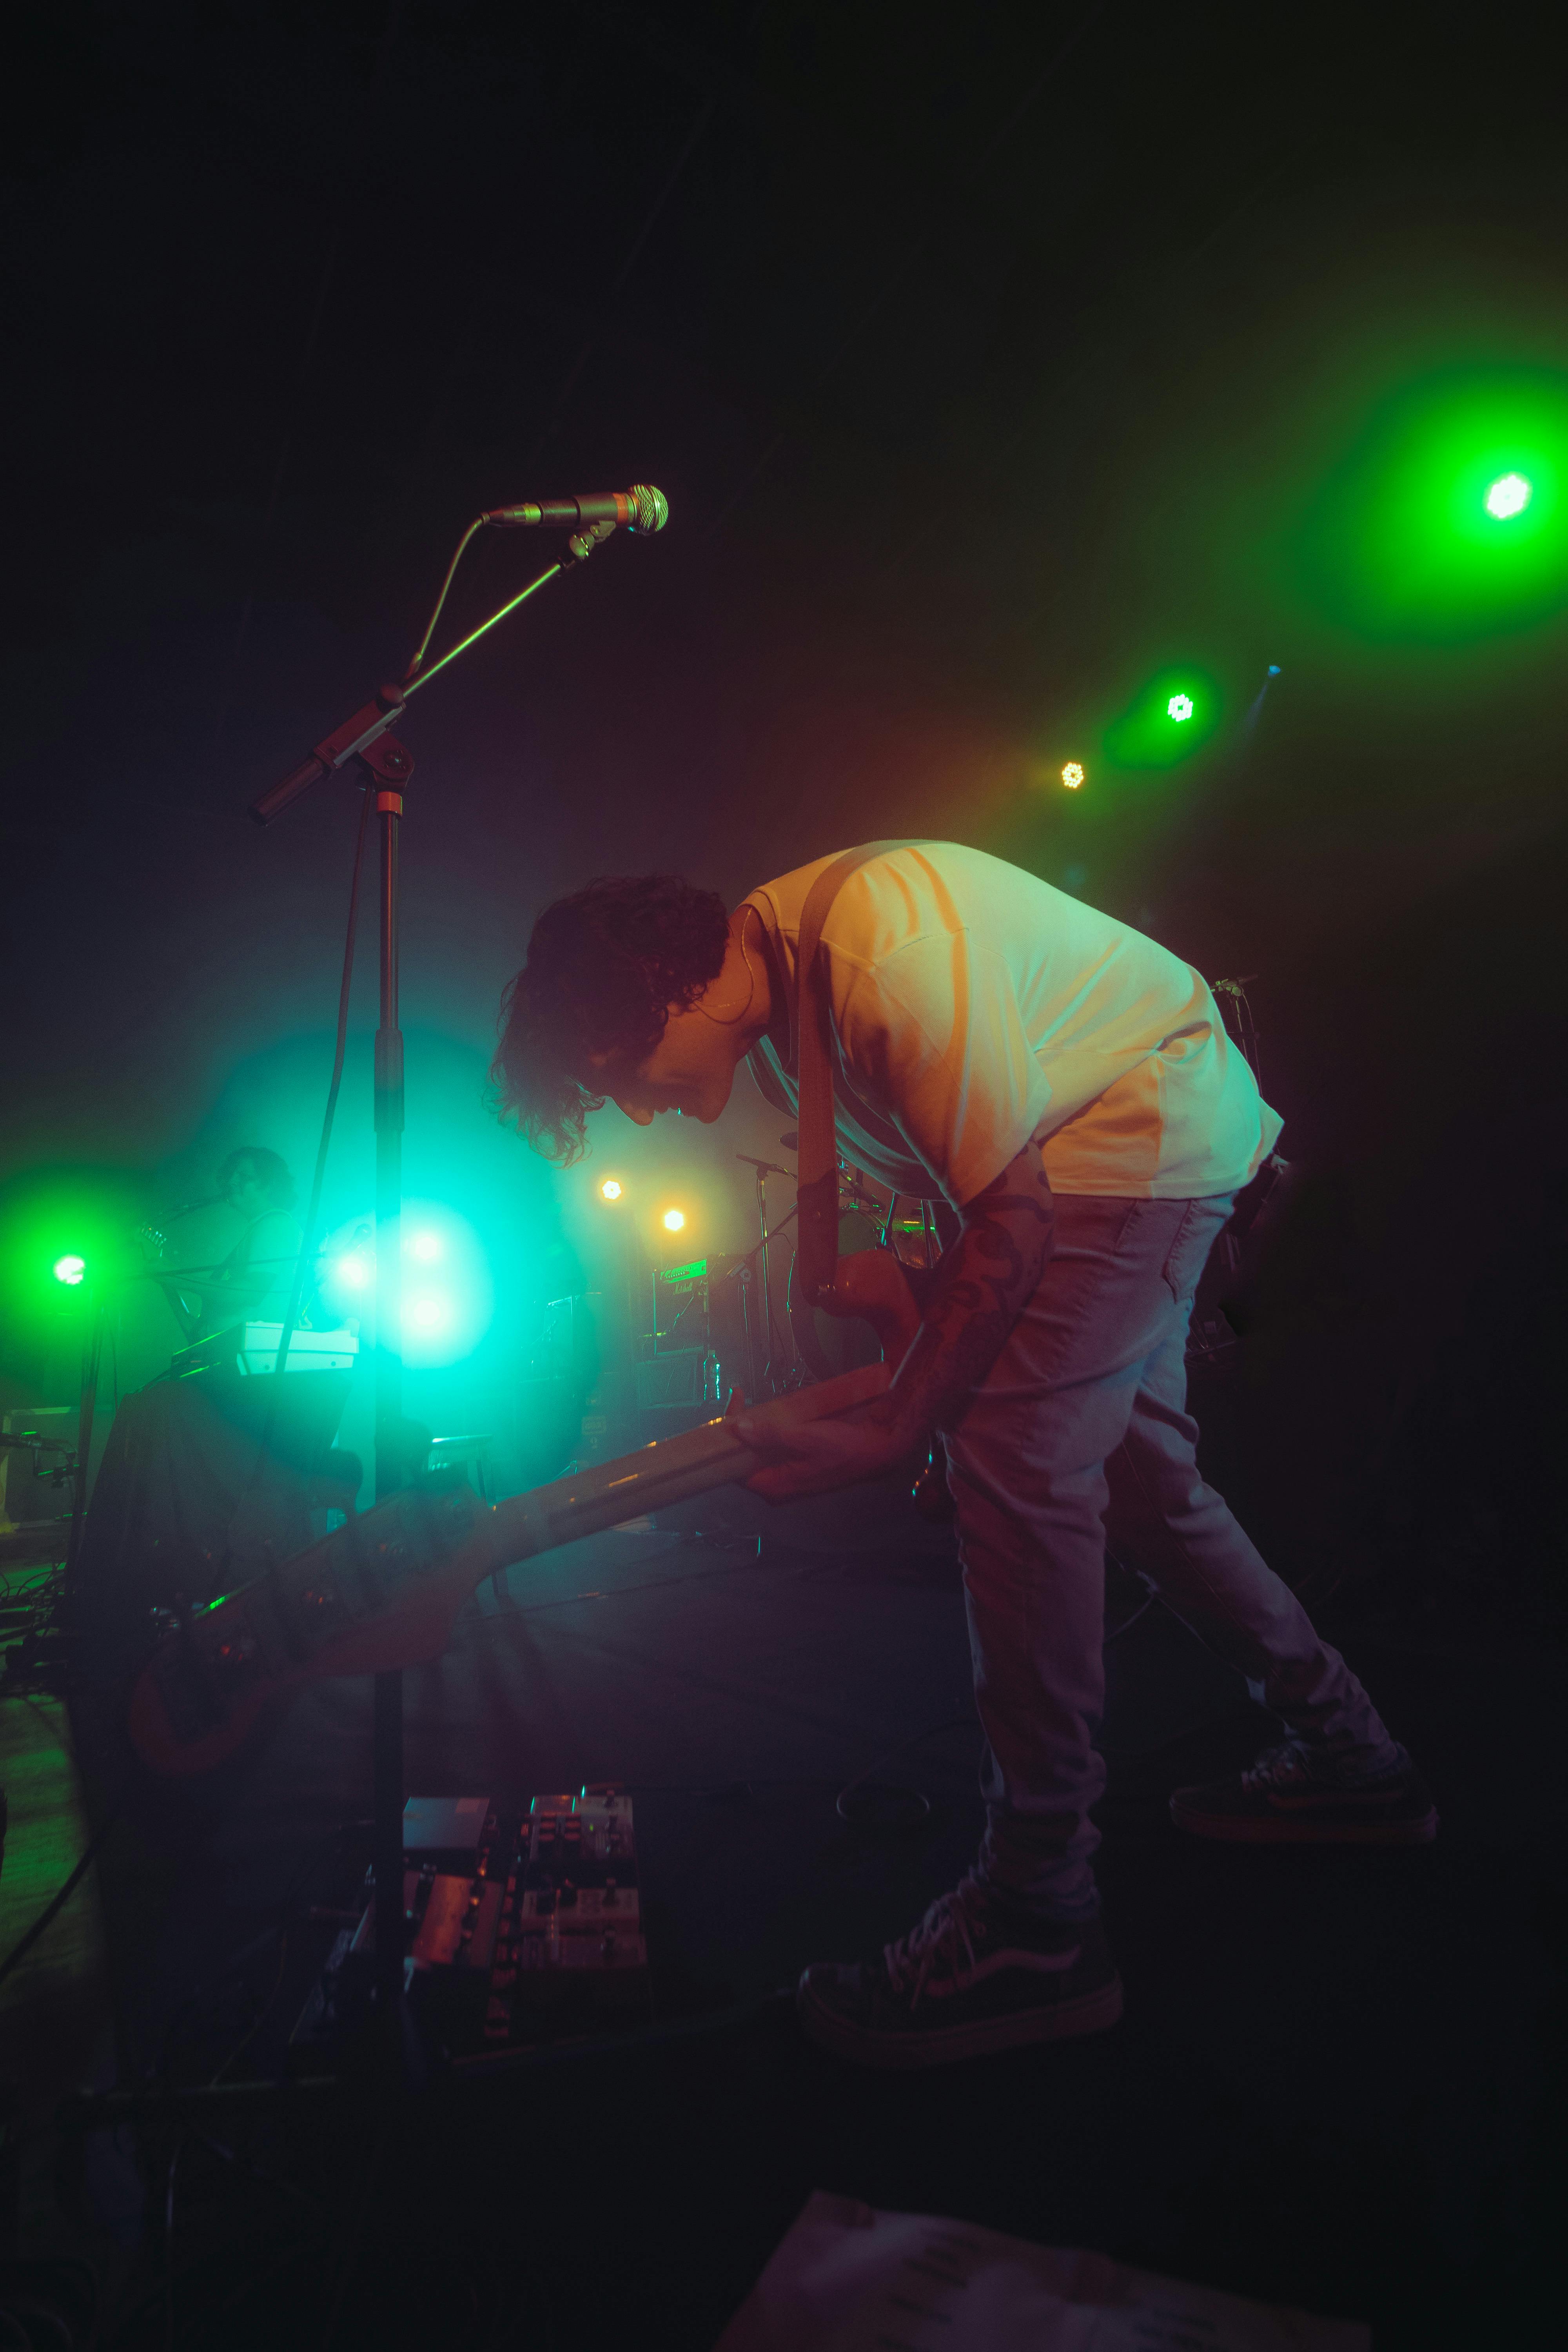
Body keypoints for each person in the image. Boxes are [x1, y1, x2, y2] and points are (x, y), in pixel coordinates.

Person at [492, 845, 1436, 2069]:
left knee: (1020, 1467)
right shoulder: (800, 1010)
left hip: (1134, 1140)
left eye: (614, 1072)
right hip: (1116, 1146)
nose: (630, 1107)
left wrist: (907, 1422)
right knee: (1143, 1483)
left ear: (665, 991)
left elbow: (1018, 1215)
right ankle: (1351, 1754)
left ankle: (1036, 1917)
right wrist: (917, 1349)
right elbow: (976, 1212)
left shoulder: (877, 958)